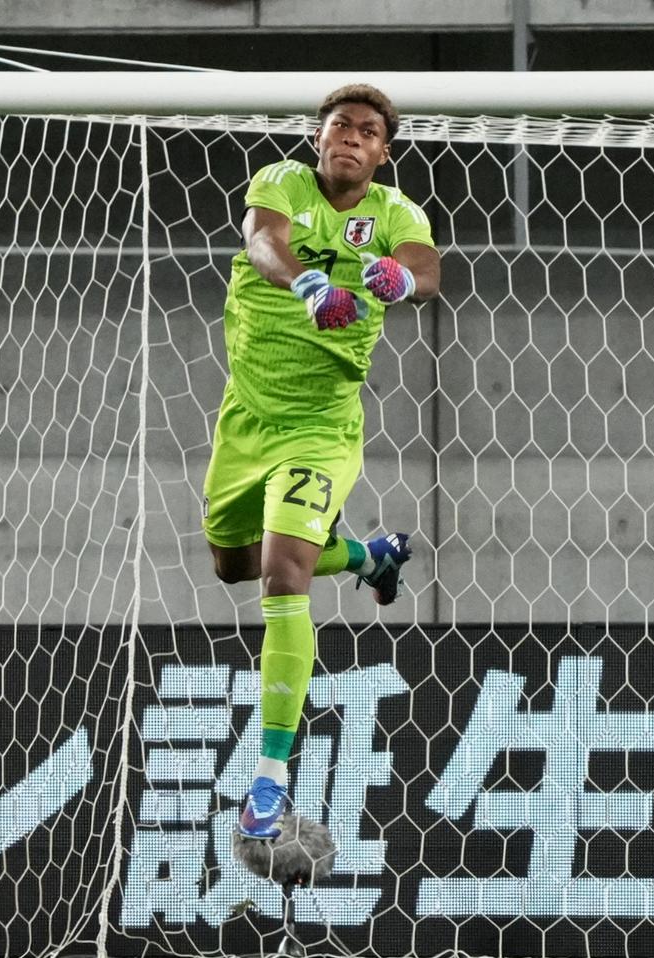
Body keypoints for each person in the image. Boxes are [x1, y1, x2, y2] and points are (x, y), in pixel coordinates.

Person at [202, 83, 440, 840]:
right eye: (340, 125)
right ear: (319, 137)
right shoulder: (281, 181)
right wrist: (308, 282)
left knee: (282, 576)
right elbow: (261, 240)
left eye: (367, 131)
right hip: (246, 418)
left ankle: (269, 778)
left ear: (383, 152)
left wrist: (400, 279)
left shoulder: (396, 213)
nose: (351, 137)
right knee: (231, 566)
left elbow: (425, 268)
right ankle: (369, 557)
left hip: (321, 427)